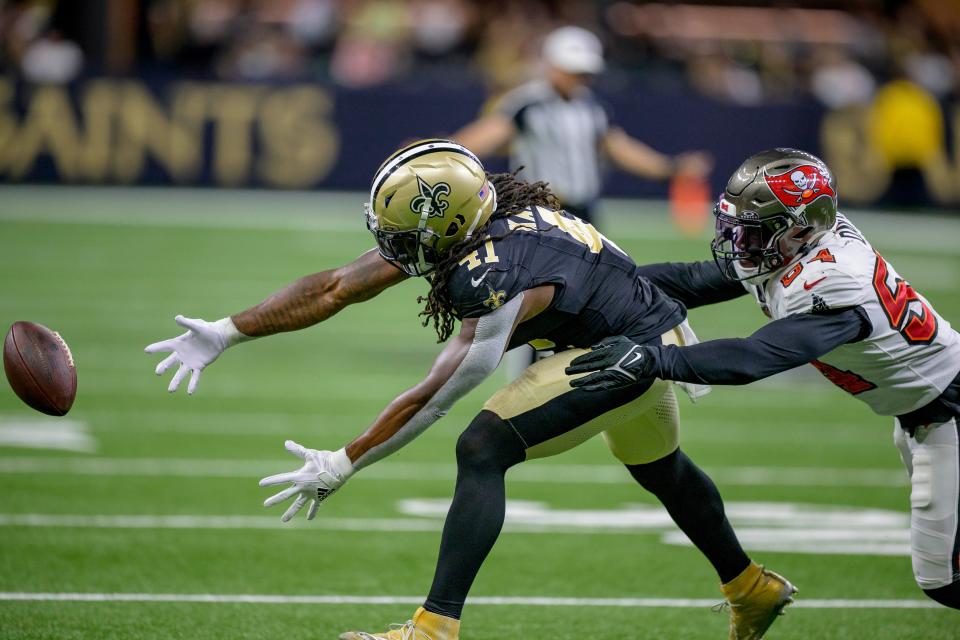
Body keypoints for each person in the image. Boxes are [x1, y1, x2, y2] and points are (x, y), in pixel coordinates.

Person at [146, 140, 796, 639]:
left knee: (483, 447)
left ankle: (433, 628)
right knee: (662, 469)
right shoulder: (493, 212)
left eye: (402, 237)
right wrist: (228, 330)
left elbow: (437, 395)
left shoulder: (494, 274)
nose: (392, 249)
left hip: (625, 353)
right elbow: (337, 285)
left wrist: (346, 460)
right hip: (637, 328)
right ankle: (751, 587)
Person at [564, 148, 960, 611]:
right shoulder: (796, 248)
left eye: (749, 232)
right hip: (922, 413)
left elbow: (756, 356)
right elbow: (694, 279)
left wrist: (652, 358)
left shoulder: (833, 280)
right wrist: (596, 286)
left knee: (943, 580)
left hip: (947, 411)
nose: (737, 240)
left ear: (799, 229)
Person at [452, 26, 711, 226]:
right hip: (539, 210)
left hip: (585, 211)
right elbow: (487, 134)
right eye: (573, 71)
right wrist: (442, 152)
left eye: (583, 72)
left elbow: (621, 148)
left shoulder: (591, 106)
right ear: (554, 65)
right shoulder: (527, 103)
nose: (580, 78)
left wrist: (671, 168)